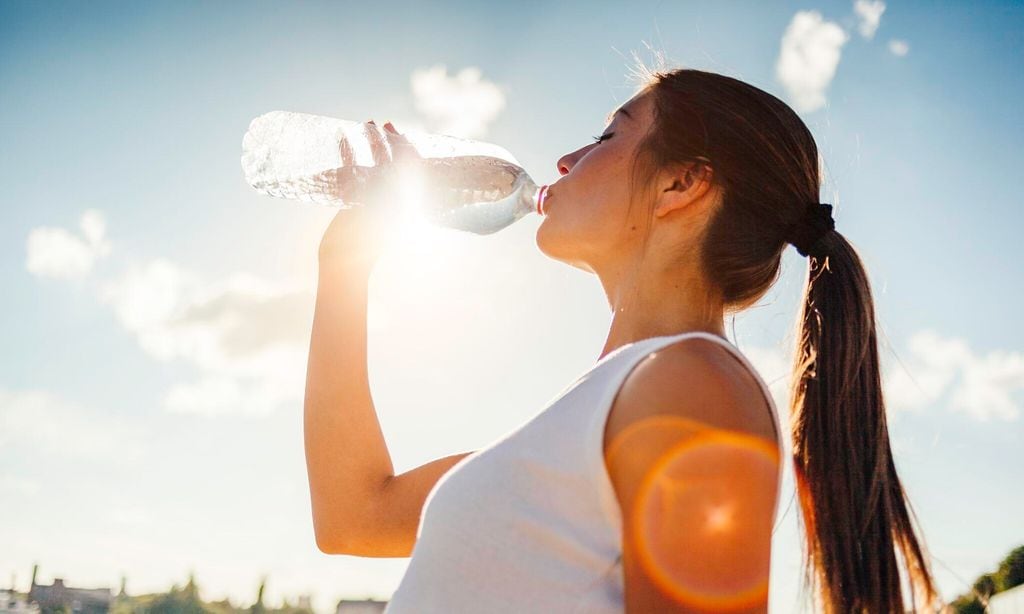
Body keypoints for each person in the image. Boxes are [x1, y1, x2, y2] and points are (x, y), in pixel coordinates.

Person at [303, 65, 942, 613]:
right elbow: (355, 516)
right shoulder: (608, 403)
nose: (566, 161)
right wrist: (344, 268)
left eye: (608, 135)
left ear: (680, 184)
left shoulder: (693, 385)